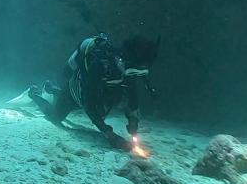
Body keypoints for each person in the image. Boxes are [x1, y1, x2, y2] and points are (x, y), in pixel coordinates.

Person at [28, 34, 159, 150]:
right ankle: (34, 94)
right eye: (133, 71)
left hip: (98, 94)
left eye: (139, 72)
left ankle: (52, 89)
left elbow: (133, 97)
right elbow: (88, 104)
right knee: (56, 117)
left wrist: (133, 120)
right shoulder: (100, 66)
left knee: (98, 107)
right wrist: (109, 134)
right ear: (123, 60)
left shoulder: (129, 71)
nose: (134, 75)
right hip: (77, 91)